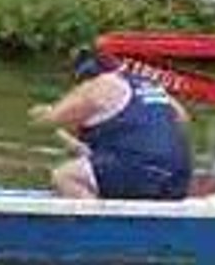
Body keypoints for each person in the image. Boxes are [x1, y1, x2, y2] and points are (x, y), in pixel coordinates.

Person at [29, 49, 193, 200]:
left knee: (65, 176)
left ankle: (95, 229)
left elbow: (49, 120)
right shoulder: (148, 85)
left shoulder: (100, 85)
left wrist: (44, 114)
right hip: (178, 178)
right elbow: (183, 119)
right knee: (100, 171)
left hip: (141, 171)